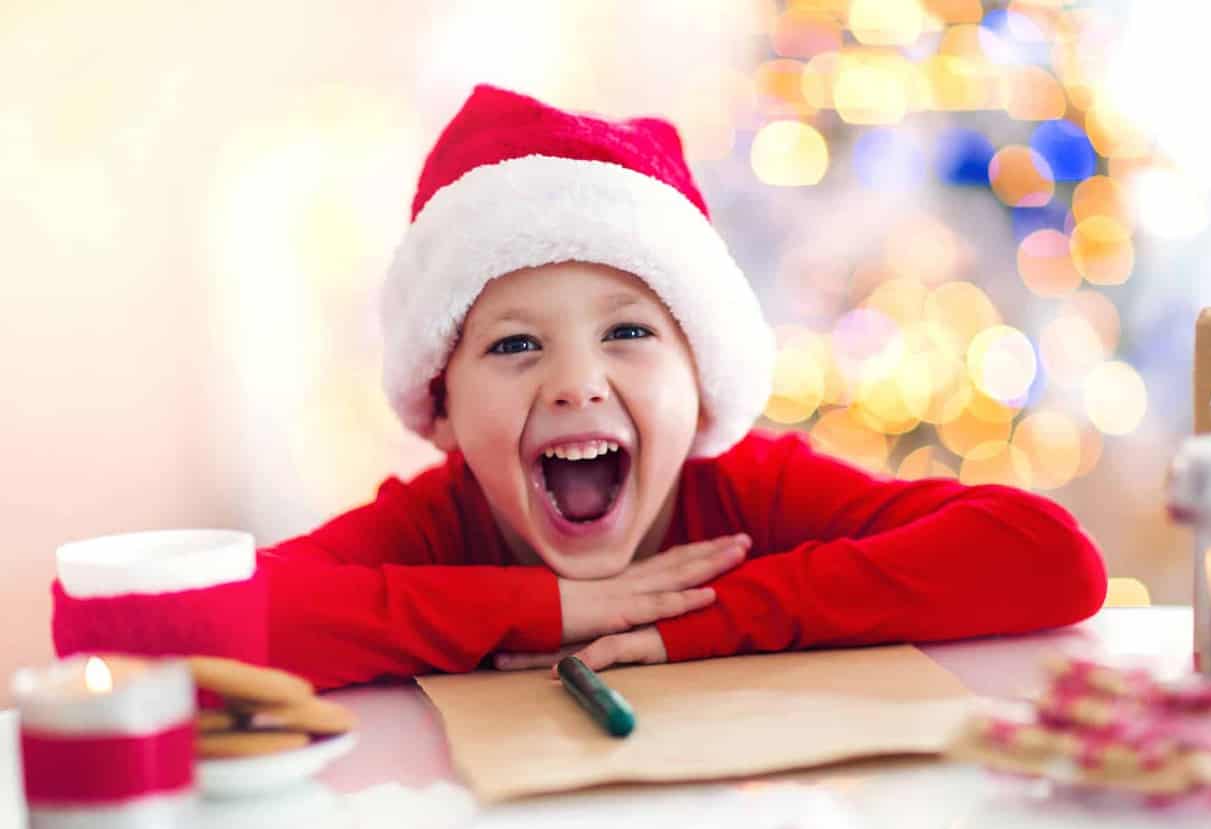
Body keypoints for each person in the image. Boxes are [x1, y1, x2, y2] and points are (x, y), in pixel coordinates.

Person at [53, 85, 1107, 690]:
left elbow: (1048, 557)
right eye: (514, 347)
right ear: (443, 406)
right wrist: (543, 607)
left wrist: (719, 616)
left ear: (701, 383)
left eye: (631, 333)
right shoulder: (435, 523)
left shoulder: (748, 494)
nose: (574, 384)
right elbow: (118, 625)